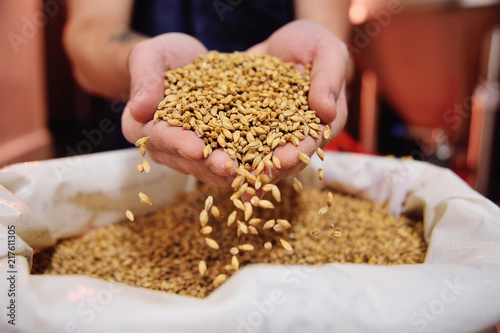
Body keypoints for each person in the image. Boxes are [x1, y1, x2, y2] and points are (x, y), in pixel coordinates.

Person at [63, 0, 351, 187]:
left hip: (291, 170)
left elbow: (332, 50)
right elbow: (90, 33)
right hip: (145, 143)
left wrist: (322, 68)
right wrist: (144, 65)